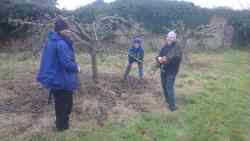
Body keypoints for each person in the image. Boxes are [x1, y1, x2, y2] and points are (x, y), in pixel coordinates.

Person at [37, 18, 80, 131]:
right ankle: (62, 128)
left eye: (68, 29)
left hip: (55, 77)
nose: (69, 31)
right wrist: (77, 67)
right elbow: (66, 63)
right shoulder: (60, 43)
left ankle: (61, 124)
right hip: (61, 78)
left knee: (62, 103)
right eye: (66, 29)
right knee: (64, 104)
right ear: (60, 30)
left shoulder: (52, 40)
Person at [156, 31, 182, 111]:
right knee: (164, 86)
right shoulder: (165, 46)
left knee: (169, 88)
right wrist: (158, 59)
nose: (171, 38)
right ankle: (167, 101)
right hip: (163, 70)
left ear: (175, 38)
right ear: (167, 37)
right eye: (169, 36)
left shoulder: (177, 48)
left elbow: (177, 60)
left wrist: (165, 60)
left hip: (172, 71)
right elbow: (159, 56)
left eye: (173, 37)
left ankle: (172, 106)